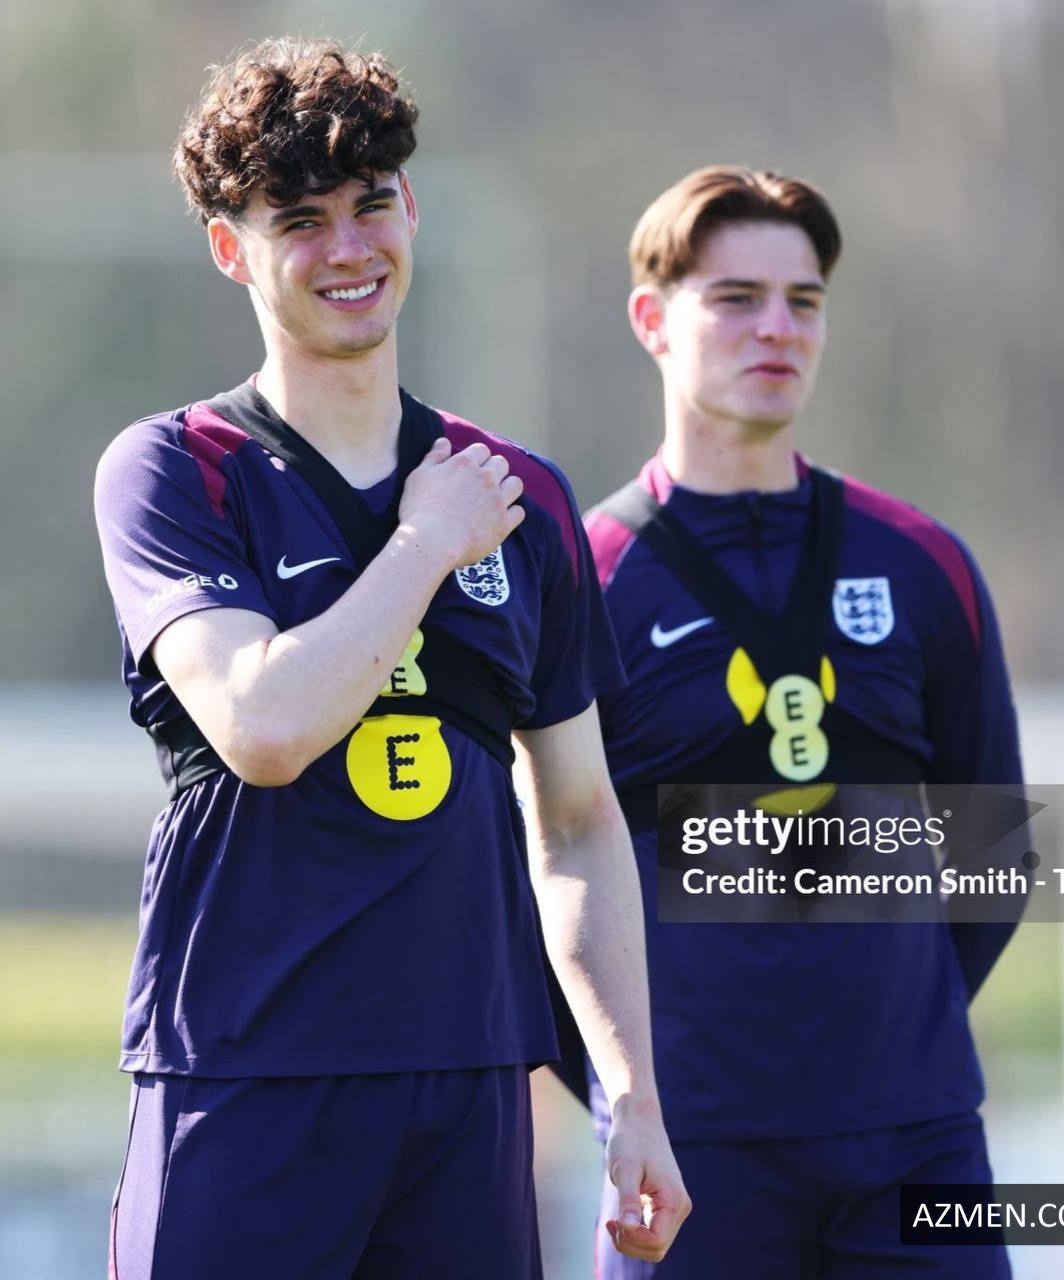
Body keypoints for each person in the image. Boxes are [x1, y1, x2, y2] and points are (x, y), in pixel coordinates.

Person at [93, 37, 688, 1280]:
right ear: (230, 248)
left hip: (466, 1094)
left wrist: (629, 1093)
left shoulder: (517, 493)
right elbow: (263, 727)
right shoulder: (175, 469)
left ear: (410, 205)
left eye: (370, 203)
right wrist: (423, 545)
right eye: (299, 221)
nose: (348, 248)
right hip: (242, 1077)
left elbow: (578, 821)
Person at [581, 166, 1023, 1278]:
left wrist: (885, 1028)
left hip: (916, 1147)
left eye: (803, 300)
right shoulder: (584, 579)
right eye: (736, 298)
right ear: (652, 321)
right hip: (685, 1153)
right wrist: (630, 1082)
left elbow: (994, 848)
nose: (777, 327)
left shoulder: (921, 562)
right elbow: (526, 875)